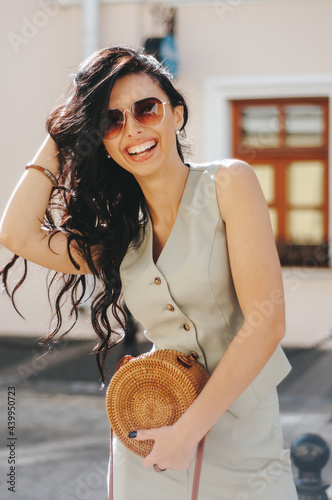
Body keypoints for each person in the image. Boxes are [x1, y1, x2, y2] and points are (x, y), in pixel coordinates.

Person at [0, 46, 297, 499]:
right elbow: (17, 234)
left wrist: (187, 433)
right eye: (111, 121)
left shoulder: (229, 184)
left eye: (146, 109)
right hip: (148, 442)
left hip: (242, 450)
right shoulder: (119, 236)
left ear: (176, 114)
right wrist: (63, 132)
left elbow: (267, 322)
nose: (133, 129)